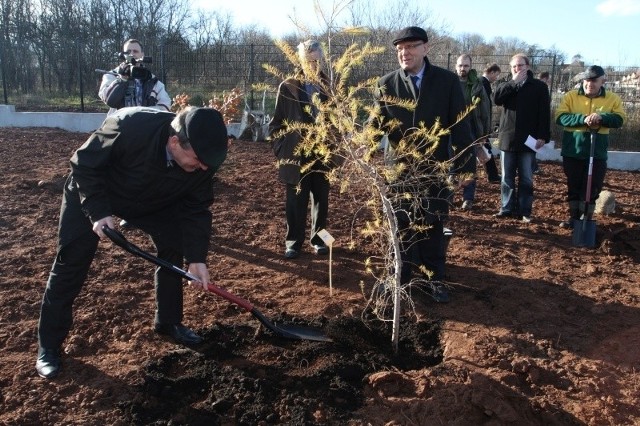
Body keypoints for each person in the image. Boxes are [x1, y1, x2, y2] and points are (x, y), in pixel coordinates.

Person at [35, 106, 228, 379]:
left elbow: (197, 209)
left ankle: (169, 321)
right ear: (175, 142)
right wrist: (99, 212)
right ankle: (49, 347)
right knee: (71, 261)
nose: (203, 168)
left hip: (152, 198)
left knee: (173, 242)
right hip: (95, 191)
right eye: (197, 160)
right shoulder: (129, 128)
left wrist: (197, 258)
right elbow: (83, 164)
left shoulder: (202, 161)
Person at [375, 27, 475, 303]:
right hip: (400, 170)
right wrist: (363, 146)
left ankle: (434, 280)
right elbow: (375, 125)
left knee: (432, 225)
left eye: (410, 47)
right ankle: (399, 278)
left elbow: (460, 125)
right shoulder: (386, 84)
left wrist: (466, 167)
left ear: (425, 48)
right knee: (401, 224)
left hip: (435, 167)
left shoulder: (447, 82)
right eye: (399, 49)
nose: (404, 53)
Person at [269, 40, 334, 259]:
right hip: (296, 153)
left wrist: (336, 149)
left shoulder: (330, 85)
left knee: (322, 199)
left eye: (316, 60)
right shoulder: (288, 86)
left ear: (321, 59)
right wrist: (281, 150)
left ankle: (320, 240)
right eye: (308, 61)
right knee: (295, 200)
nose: (313, 65)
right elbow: (276, 124)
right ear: (300, 60)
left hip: (323, 152)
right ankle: (293, 243)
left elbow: (339, 121)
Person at [555, 65, 626, 228]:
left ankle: (586, 218)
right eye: (587, 80)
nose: (589, 84)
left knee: (593, 187)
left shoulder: (612, 98)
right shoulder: (571, 96)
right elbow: (560, 117)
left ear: (603, 81)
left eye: (594, 81)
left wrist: (601, 117)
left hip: (597, 150)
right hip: (573, 148)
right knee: (574, 185)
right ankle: (574, 218)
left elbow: (619, 119)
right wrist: (582, 119)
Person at [493, 53, 550, 223]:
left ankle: (525, 210)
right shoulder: (505, 84)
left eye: (520, 66)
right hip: (507, 137)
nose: (517, 69)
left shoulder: (539, 87)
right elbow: (496, 99)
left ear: (528, 67)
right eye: (514, 66)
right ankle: (506, 208)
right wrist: (512, 83)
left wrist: (543, 136)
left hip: (529, 139)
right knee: (507, 176)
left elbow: (544, 113)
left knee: (526, 177)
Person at [455, 54, 491, 211]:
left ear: (470, 66)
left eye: (466, 66)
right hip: (452, 130)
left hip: (471, 130)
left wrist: (484, 134)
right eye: (460, 65)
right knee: (450, 165)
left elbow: (485, 111)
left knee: (470, 166)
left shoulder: (477, 85)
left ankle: (468, 199)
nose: (463, 68)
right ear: (456, 66)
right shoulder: (450, 83)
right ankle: (448, 195)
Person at [98, 38, 172, 115]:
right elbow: (110, 101)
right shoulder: (111, 76)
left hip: (144, 125)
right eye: (128, 52)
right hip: (118, 125)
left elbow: (165, 106)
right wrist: (122, 79)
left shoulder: (152, 80)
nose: (132, 54)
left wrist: (141, 114)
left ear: (142, 54)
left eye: (135, 51)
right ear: (123, 55)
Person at [481, 63, 502, 183]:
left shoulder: (484, 83)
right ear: (492, 72)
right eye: (496, 75)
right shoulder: (484, 84)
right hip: (482, 125)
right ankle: (492, 175)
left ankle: (492, 174)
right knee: (486, 149)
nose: (496, 78)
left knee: (486, 149)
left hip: (483, 124)